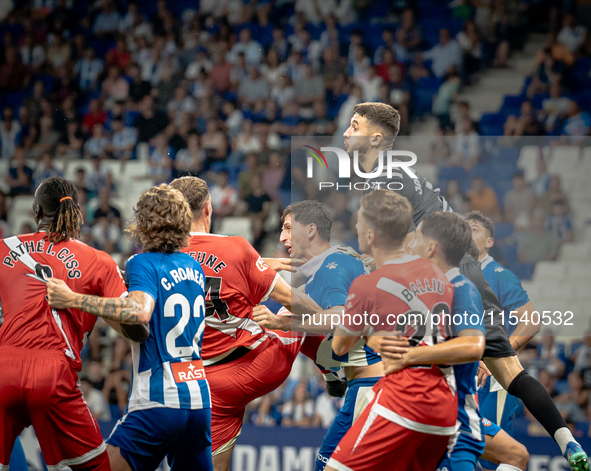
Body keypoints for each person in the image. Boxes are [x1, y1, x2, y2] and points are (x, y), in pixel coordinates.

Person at [342, 101, 588, 470]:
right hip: (467, 270)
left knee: (405, 364)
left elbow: (401, 245)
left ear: (376, 138)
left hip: (440, 277)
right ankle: (567, 440)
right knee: (510, 372)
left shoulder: (382, 183)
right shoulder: (398, 174)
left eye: (355, 125)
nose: (346, 132)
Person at [46, 184, 213, 471]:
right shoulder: (194, 266)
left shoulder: (141, 262)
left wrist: (72, 299)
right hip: (199, 401)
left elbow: (139, 312)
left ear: (143, 224)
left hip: (158, 402)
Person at [169, 176, 323, 471]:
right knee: (301, 313)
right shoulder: (236, 249)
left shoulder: (157, 258)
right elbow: (294, 301)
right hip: (250, 366)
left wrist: (258, 264)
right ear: (208, 209)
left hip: (195, 379)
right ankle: (335, 370)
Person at [0, 176, 141, 471]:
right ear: (76, 213)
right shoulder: (98, 260)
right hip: (54, 374)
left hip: (3, 368)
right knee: (96, 468)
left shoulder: (4, 248)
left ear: (36, 213)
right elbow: (134, 322)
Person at [325, 190, 459, 471]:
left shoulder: (367, 284)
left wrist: (368, 333)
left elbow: (338, 348)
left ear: (371, 235)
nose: (356, 226)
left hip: (404, 399)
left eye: (359, 221)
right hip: (444, 404)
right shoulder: (436, 273)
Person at [252, 201, 381, 471]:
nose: (281, 237)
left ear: (310, 230)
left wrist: (280, 321)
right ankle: (330, 371)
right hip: (369, 385)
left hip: (372, 388)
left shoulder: (331, 268)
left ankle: (330, 370)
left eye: (288, 228)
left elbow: (338, 318)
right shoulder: (333, 265)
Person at [467, 210, 587, 470]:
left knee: (494, 456)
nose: (467, 232)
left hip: (497, 380)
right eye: (464, 228)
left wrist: (496, 356)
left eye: (474, 229)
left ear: (490, 242)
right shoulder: (456, 274)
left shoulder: (499, 275)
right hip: (464, 374)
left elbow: (531, 321)